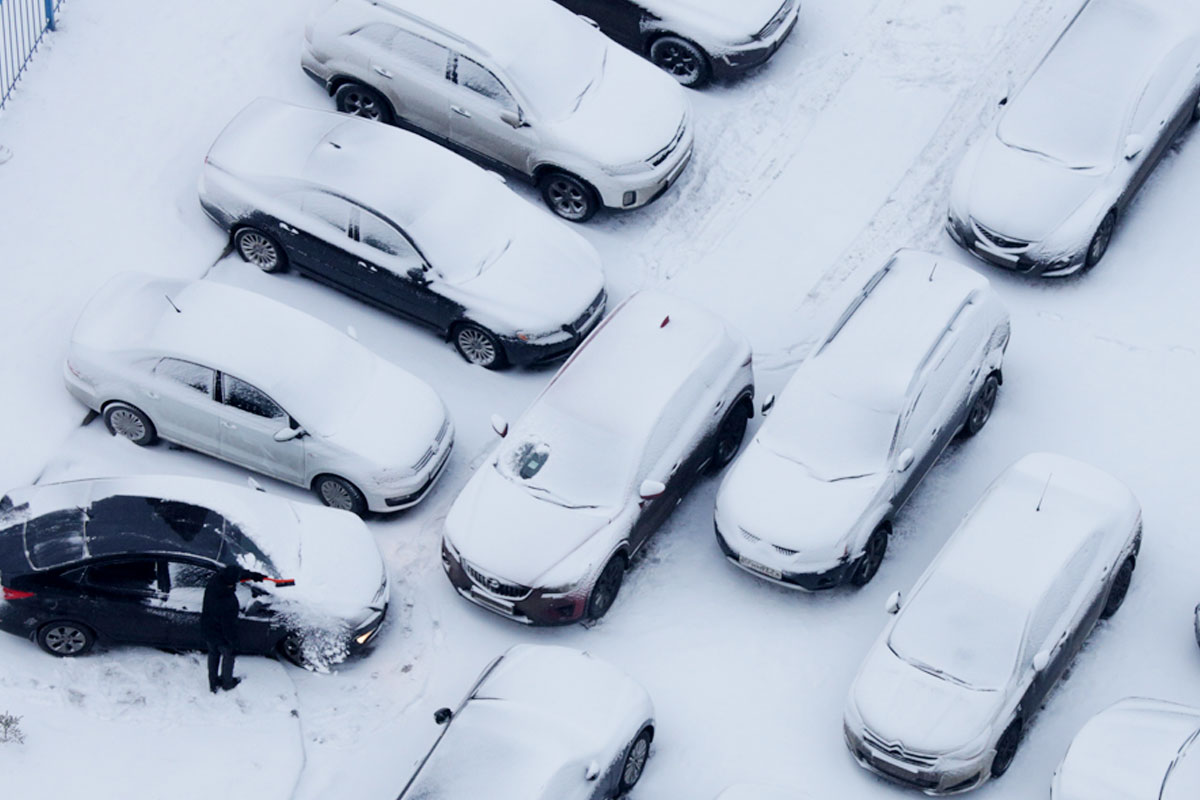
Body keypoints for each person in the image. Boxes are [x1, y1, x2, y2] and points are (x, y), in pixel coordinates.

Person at [201, 565, 266, 693]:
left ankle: (213, 683)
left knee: (213, 654)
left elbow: (236, 574)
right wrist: (233, 642)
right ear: (231, 583)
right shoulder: (227, 602)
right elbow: (228, 627)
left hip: (207, 628)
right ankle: (227, 683)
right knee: (228, 655)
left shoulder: (215, 580)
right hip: (221, 634)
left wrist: (252, 575)